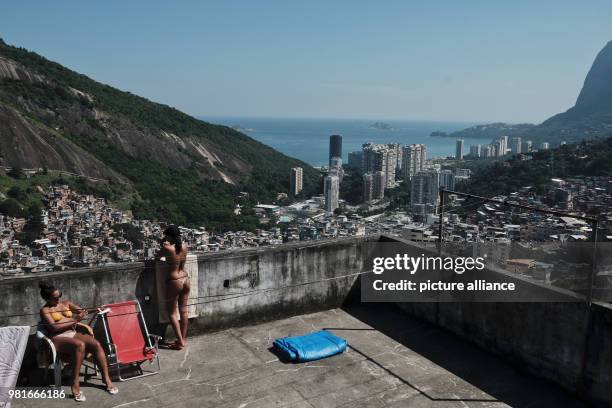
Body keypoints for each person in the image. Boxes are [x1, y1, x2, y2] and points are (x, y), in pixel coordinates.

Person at [39, 282, 117, 402]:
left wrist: (95, 310)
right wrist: (75, 320)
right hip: (57, 338)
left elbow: (82, 311)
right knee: (79, 345)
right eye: (55, 298)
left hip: (72, 333)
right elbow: (54, 328)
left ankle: (106, 379)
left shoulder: (66, 303)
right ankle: (74, 383)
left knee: (95, 344)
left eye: (59, 295)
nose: (58, 299)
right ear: (46, 298)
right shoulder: (45, 310)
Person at [159, 225, 190, 350]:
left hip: (174, 280)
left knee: (172, 313)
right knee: (183, 310)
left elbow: (157, 255)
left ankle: (180, 342)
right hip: (186, 278)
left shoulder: (168, 248)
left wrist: (162, 242)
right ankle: (182, 339)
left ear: (169, 236)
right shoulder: (185, 247)